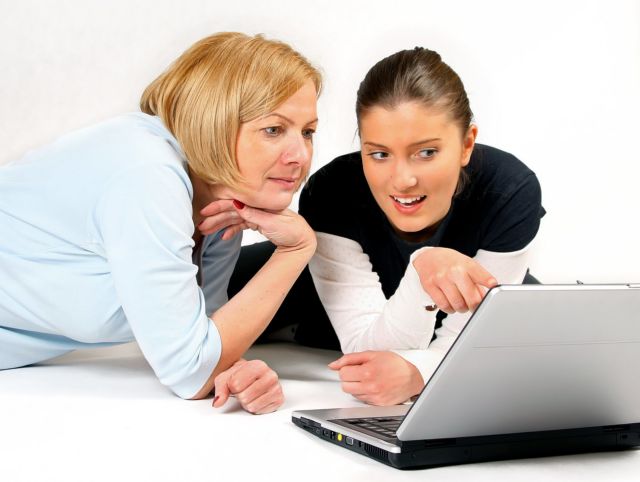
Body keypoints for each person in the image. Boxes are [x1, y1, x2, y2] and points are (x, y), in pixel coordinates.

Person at [0, 32, 321, 414]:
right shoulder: (147, 173)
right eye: (274, 129)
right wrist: (295, 249)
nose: (300, 155)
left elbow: (207, 341)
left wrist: (234, 369)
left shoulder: (220, 208)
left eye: (308, 132)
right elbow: (190, 370)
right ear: (213, 122)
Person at [222, 46, 545, 406]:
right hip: (301, 299)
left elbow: (465, 345)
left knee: (535, 319)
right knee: (209, 296)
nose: (402, 180)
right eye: (379, 154)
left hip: (404, 324)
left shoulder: (508, 191)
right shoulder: (334, 192)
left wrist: (419, 373)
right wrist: (423, 269)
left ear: (467, 144)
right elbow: (370, 351)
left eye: (426, 153)